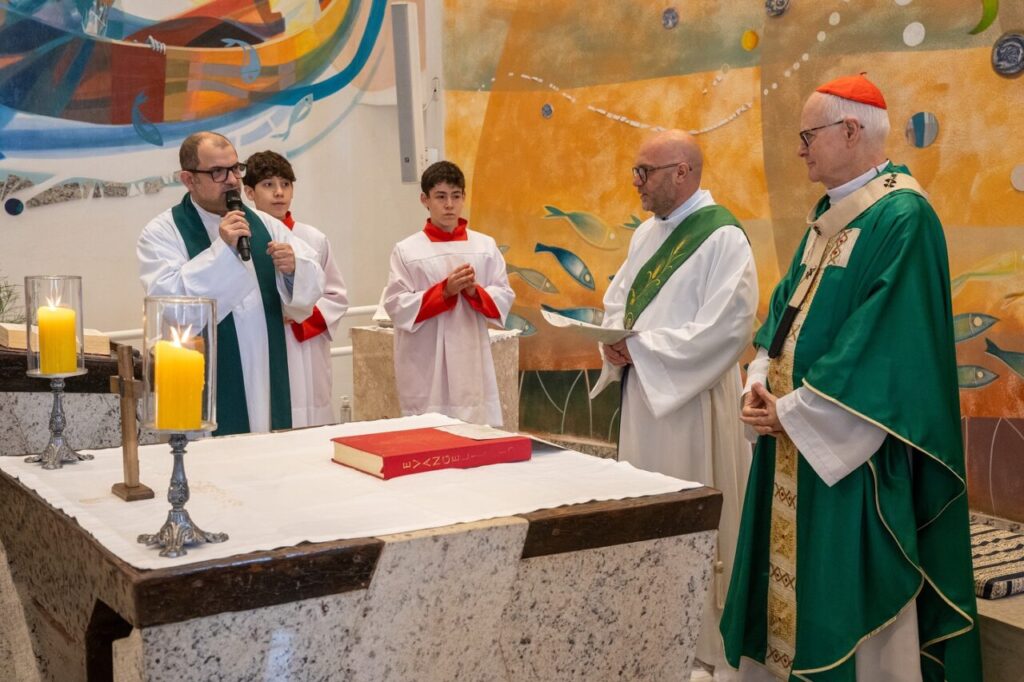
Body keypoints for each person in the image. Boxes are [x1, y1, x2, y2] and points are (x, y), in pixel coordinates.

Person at [721, 75, 981, 680]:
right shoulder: (832, 215)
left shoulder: (903, 218)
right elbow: (784, 313)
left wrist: (788, 410)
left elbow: (885, 346)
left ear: (851, 131)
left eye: (808, 135)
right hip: (791, 438)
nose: (800, 149)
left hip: (852, 455)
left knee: (842, 603)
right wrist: (760, 375)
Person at [590, 129, 759, 679]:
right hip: (645, 396)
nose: (636, 182)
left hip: (691, 404)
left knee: (693, 514)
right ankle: (652, 624)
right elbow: (619, 298)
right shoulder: (646, 234)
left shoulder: (723, 239)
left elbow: (728, 328)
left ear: (682, 172)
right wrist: (613, 342)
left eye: (646, 172)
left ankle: (704, 643)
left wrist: (645, 351)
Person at [138, 132, 325, 436]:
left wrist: (293, 271)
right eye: (217, 172)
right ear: (189, 179)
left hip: (266, 371)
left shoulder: (266, 224)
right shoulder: (162, 232)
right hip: (206, 379)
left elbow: (312, 284)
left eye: (235, 168)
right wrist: (222, 250)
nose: (231, 180)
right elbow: (169, 304)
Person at [383, 160, 514, 426]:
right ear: (425, 199)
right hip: (425, 358)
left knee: (471, 427)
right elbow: (397, 305)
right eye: (440, 197)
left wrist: (474, 292)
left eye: (456, 196)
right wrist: (445, 291)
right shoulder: (407, 250)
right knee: (427, 430)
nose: (449, 205)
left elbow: (504, 294)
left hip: (469, 356)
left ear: (464, 197)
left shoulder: (484, 246)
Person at [242, 150, 349, 428]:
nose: (279, 193)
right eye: (268, 185)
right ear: (249, 192)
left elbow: (335, 297)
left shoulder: (313, 238)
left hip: (304, 345)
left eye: (285, 184)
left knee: (309, 419)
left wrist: (300, 314)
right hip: (262, 344)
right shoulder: (240, 240)